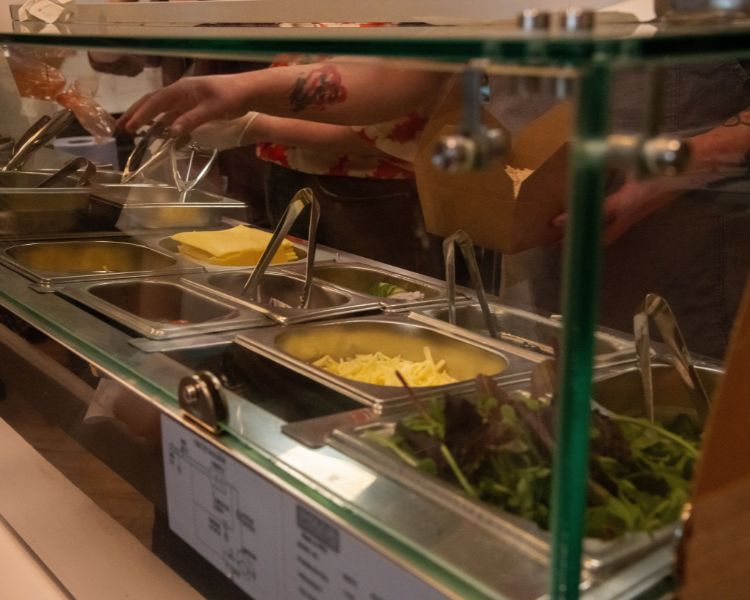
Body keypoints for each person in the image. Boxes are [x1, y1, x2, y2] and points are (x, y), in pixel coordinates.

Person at [119, 59, 450, 276]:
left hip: (377, 194)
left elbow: (398, 100)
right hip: (284, 174)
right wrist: (248, 105)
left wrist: (252, 110)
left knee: (384, 323)